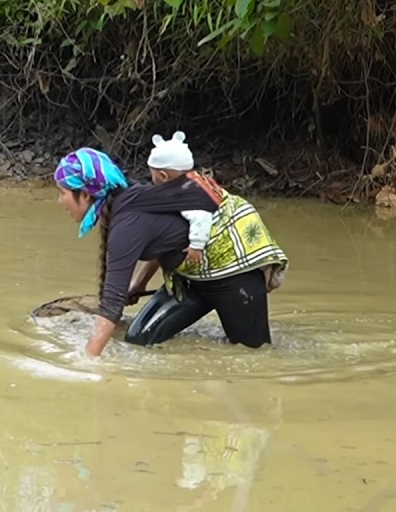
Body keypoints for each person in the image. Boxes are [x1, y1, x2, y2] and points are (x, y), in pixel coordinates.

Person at [53, 147, 288, 359]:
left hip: (234, 279)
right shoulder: (128, 203)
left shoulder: (126, 223)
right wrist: (138, 284)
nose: (59, 201)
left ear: (85, 195)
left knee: (255, 355)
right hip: (188, 280)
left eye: (62, 192)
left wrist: (87, 360)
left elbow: (112, 303)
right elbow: (162, 242)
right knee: (138, 340)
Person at [146, 131, 221, 266]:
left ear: (163, 176)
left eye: (153, 174)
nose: (152, 179)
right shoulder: (197, 181)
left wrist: (196, 246)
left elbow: (201, 217)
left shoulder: (184, 195)